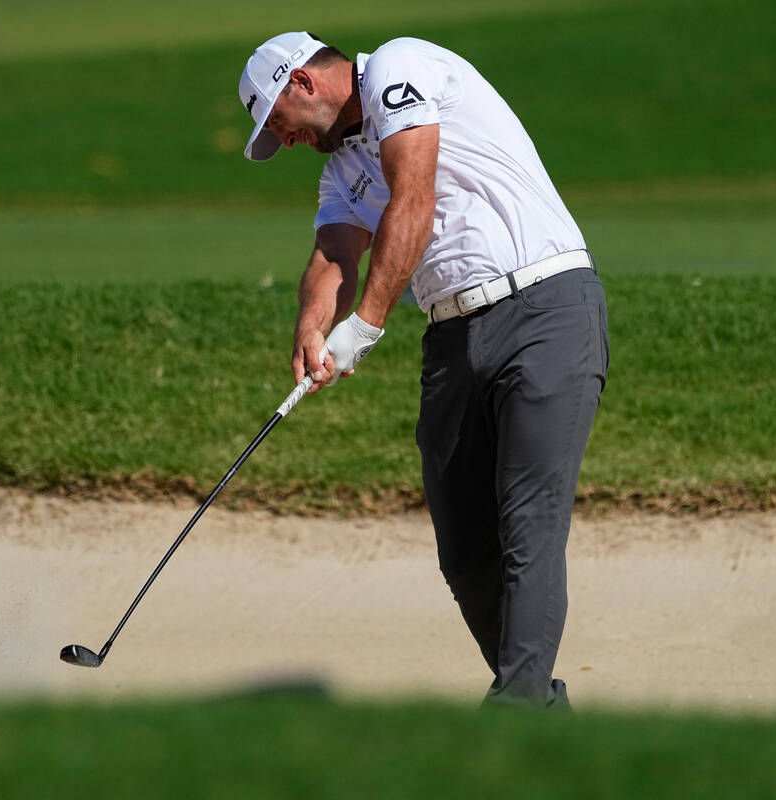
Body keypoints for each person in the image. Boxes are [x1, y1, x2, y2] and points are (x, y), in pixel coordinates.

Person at [238, 32, 608, 709]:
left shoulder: (400, 68)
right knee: (465, 551)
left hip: (546, 309)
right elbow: (333, 256)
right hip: (452, 337)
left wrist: (369, 322)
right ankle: (542, 712)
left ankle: (517, 713)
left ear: (303, 83)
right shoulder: (340, 168)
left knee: (526, 528)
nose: (281, 139)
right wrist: (314, 324)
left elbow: (413, 192)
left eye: (277, 123)